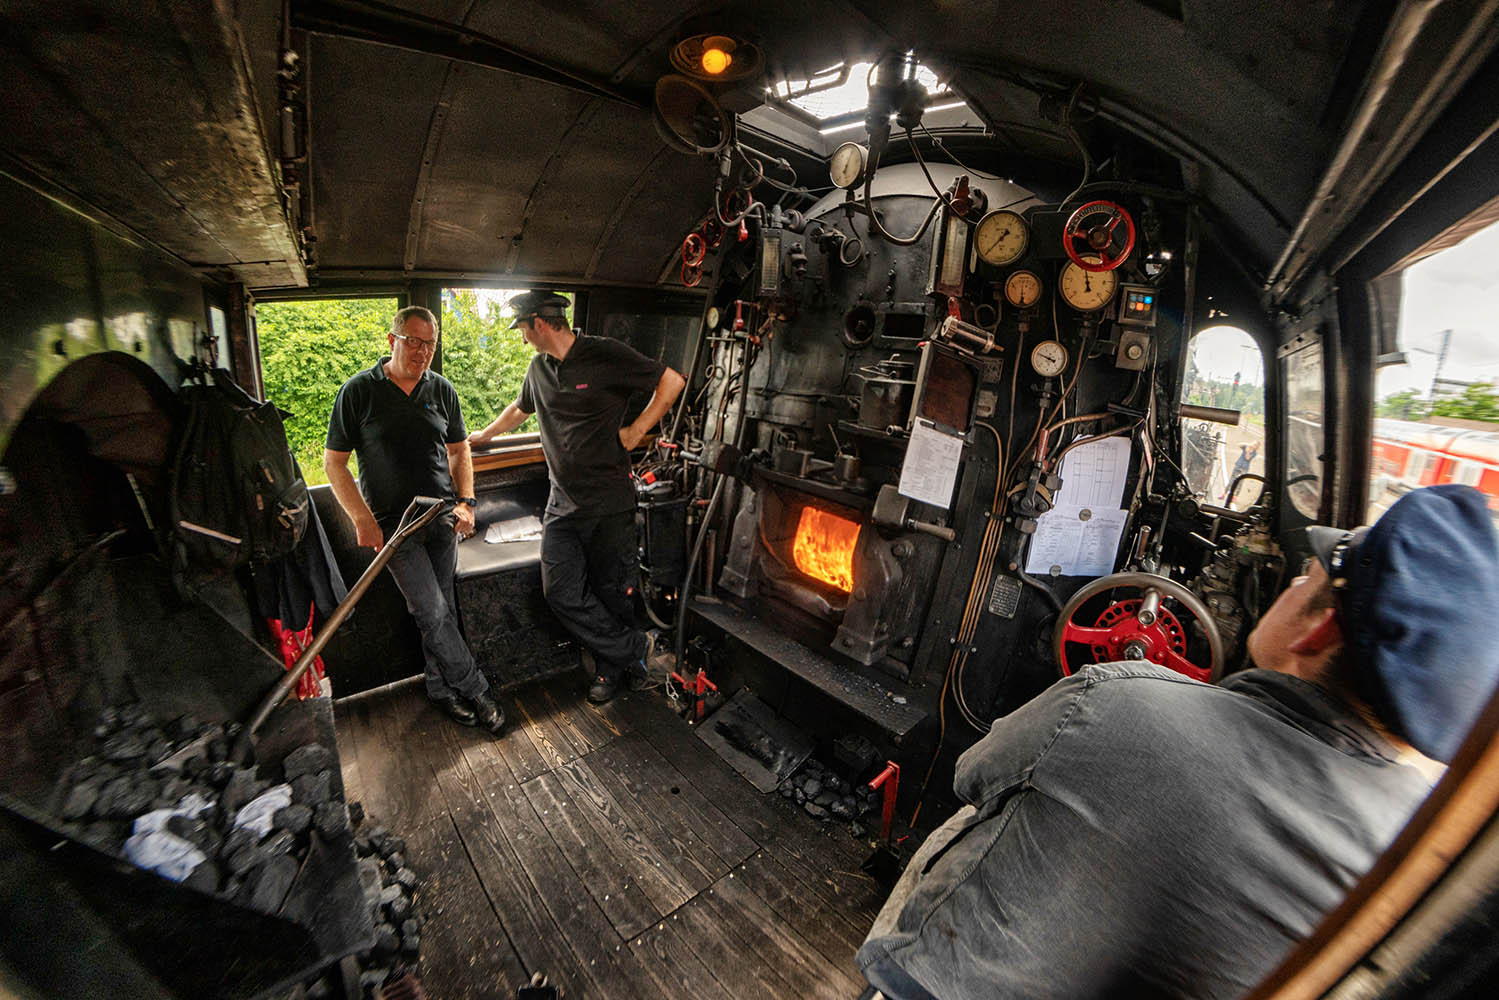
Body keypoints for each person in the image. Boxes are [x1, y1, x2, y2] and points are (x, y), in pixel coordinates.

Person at [857, 483, 1499, 999]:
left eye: (1305, 575)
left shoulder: (1111, 699)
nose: (1291, 584)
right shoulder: (1417, 865)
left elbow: (971, 774)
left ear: (1320, 630)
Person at [468, 291, 686, 704]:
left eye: (523, 329)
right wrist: (485, 435)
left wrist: (637, 430)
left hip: (610, 505)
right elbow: (520, 408)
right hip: (562, 506)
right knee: (560, 592)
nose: (522, 338)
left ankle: (610, 669)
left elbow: (672, 381)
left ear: (540, 323)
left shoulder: (605, 353)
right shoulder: (538, 369)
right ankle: (635, 650)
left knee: (612, 592)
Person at [324, 305, 505, 734]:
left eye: (430, 344)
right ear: (393, 340)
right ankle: (477, 690)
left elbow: (459, 451)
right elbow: (334, 464)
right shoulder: (358, 391)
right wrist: (362, 519)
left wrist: (467, 502)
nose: (422, 351)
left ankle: (440, 690)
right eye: (414, 341)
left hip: (441, 518)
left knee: (442, 610)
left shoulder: (442, 389)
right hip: (395, 527)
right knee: (432, 610)